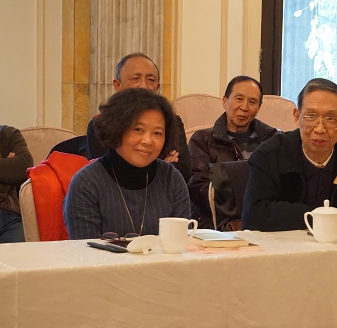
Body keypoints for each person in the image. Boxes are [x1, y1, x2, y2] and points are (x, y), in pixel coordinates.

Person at [242, 78, 337, 231]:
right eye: (311, 116)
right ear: (297, 117)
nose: (320, 129)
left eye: (330, 118)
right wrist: (320, 217)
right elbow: (254, 216)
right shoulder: (269, 155)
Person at [64, 88, 190, 240]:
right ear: (116, 129)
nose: (147, 141)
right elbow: (84, 249)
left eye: (157, 133)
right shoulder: (86, 183)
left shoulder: (171, 178)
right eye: (138, 129)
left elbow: (182, 244)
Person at [188, 76, 278, 229]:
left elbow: (279, 187)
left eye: (252, 102)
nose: (244, 107)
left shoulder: (272, 139)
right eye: (239, 99)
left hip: (264, 224)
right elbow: (199, 189)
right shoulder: (202, 139)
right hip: (217, 226)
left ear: (259, 107)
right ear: (225, 101)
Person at [86, 52, 192, 181]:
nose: (143, 86)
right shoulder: (101, 123)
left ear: (157, 87)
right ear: (117, 85)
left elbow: (183, 172)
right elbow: (104, 172)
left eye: (150, 80)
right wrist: (162, 164)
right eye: (135, 79)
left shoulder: (171, 121)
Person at [0, 113, 34, 243]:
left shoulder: (8, 134)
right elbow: (14, 171)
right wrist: (5, 174)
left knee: (21, 254)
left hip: (9, 214)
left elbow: (24, 166)